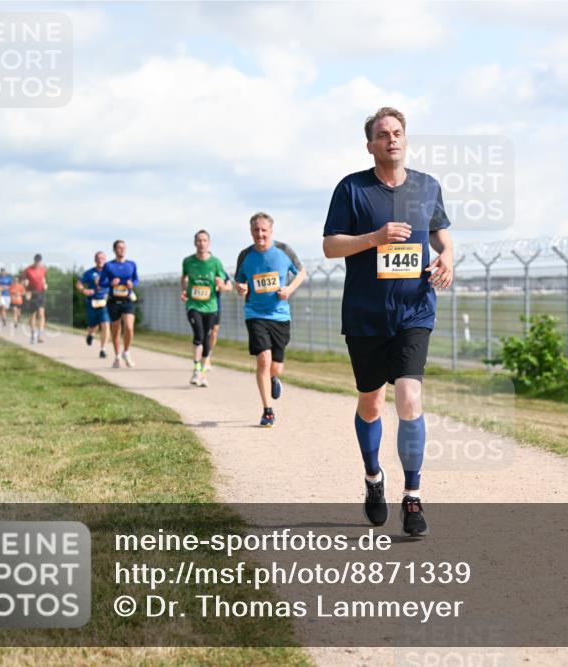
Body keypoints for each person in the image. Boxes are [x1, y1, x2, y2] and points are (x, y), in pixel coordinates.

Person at [322, 107, 454, 537]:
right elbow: (330, 246)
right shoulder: (352, 189)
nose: (391, 140)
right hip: (365, 315)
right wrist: (374, 238)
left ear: (406, 139)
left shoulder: (427, 186)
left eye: (398, 133)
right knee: (371, 403)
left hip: (415, 308)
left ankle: (412, 496)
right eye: (383, 135)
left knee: (409, 397)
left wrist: (447, 256)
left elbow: (439, 230)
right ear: (370, 145)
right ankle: (374, 479)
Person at [234, 212, 306, 427]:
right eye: (256, 230)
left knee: (276, 367)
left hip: (280, 316)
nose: (260, 234)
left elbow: (301, 272)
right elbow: (239, 281)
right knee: (263, 359)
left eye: (264, 230)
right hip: (255, 314)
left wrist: (289, 289)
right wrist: (240, 288)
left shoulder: (284, 251)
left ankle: (273, 378)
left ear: (271, 231)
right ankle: (267, 411)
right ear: (251, 232)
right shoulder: (245, 255)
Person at [181, 230, 231, 386]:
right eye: (199, 240)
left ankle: (202, 372)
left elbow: (225, 284)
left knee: (207, 338)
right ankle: (196, 370)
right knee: (198, 335)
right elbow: (184, 277)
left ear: (209, 243)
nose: (202, 243)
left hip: (211, 306)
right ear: (195, 243)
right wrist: (184, 290)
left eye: (204, 240)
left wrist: (220, 285)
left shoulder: (216, 263)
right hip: (194, 305)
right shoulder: (188, 261)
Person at [102, 240, 139, 368]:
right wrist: (110, 284)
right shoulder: (109, 266)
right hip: (113, 301)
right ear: (114, 250)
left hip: (127, 300)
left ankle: (126, 352)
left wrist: (132, 284)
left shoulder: (131, 264)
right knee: (116, 330)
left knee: (129, 327)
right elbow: (101, 282)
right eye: (119, 248)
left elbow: (136, 280)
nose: (121, 250)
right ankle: (117, 356)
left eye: (123, 248)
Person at [77, 251, 111, 359]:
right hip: (92, 302)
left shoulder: (109, 273)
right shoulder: (89, 273)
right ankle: (90, 335)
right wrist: (84, 290)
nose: (100, 260)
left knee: (105, 324)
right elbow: (78, 283)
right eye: (98, 258)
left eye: (102, 258)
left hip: (104, 302)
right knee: (93, 325)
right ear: (95, 260)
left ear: (105, 260)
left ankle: (103, 349)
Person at [22, 254, 48, 343]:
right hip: (31, 293)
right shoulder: (28, 270)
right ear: (34, 260)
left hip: (41, 293)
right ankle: (33, 335)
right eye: (36, 260)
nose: (38, 262)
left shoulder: (43, 269)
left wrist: (45, 284)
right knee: (32, 315)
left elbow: (44, 279)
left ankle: (39, 335)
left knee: (41, 314)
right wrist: (26, 290)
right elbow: (24, 281)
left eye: (39, 260)